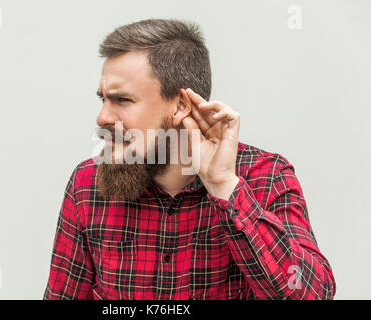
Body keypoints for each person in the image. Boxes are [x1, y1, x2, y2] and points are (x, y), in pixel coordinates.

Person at [43, 18, 336, 300]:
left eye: (122, 100)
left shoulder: (265, 176)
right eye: (102, 99)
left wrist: (224, 186)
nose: (102, 117)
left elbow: (313, 294)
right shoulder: (87, 184)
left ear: (181, 104)